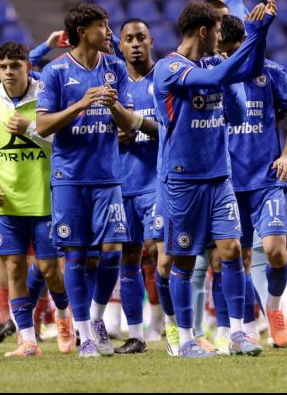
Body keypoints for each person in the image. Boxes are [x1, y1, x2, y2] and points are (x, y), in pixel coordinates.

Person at [152, 0, 276, 358]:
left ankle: (238, 332)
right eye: (219, 31)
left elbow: (236, 111)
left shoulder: (213, 62)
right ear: (203, 31)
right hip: (183, 180)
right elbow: (218, 78)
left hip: (220, 176)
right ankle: (187, 339)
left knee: (233, 249)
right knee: (185, 260)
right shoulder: (169, 68)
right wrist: (250, 37)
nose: (221, 38)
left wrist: (259, 35)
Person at [36, 1, 137, 358]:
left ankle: (95, 320)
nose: (108, 32)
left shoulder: (115, 68)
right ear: (83, 32)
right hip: (70, 178)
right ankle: (85, 335)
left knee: (112, 254)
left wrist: (113, 106)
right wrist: (81, 104)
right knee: (75, 256)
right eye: (103, 26)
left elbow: (130, 126)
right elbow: (43, 124)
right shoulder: (56, 72)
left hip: (108, 177)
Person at [0, 41, 75, 357]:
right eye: (3, 67)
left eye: (16, 65)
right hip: (7, 202)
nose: (10, 72)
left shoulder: (47, 96)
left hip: (46, 200)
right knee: (14, 268)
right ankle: (27, 340)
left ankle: (64, 316)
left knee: (49, 269)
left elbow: (66, 143)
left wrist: (29, 130)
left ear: (29, 66)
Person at [218, 14, 287, 348]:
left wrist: (286, 155)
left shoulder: (270, 73)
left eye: (234, 49)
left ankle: (273, 310)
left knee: (275, 252)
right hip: (227, 181)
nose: (230, 56)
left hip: (265, 180)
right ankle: (244, 327)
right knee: (232, 258)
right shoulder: (215, 76)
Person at [113, 19, 162, 354]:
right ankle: (136, 335)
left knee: (160, 253)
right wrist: (113, 136)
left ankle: (175, 328)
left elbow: (173, 128)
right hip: (121, 183)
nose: (134, 44)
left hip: (157, 182)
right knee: (127, 257)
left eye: (140, 38)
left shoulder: (164, 79)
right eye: (128, 39)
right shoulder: (113, 84)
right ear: (120, 45)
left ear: (151, 41)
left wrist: (137, 126)